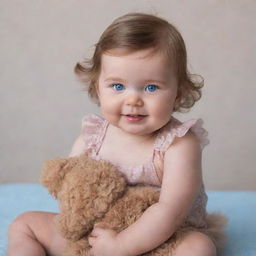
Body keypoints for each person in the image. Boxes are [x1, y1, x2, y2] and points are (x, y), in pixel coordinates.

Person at [8, 13, 226, 256]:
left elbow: (171, 211)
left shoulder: (178, 144)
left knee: (199, 247)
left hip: (161, 239)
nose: (132, 100)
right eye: (118, 86)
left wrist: (121, 246)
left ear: (177, 93)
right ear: (97, 88)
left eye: (151, 87)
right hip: (97, 237)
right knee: (25, 224)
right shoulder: (93, 137)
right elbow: (71, 192)